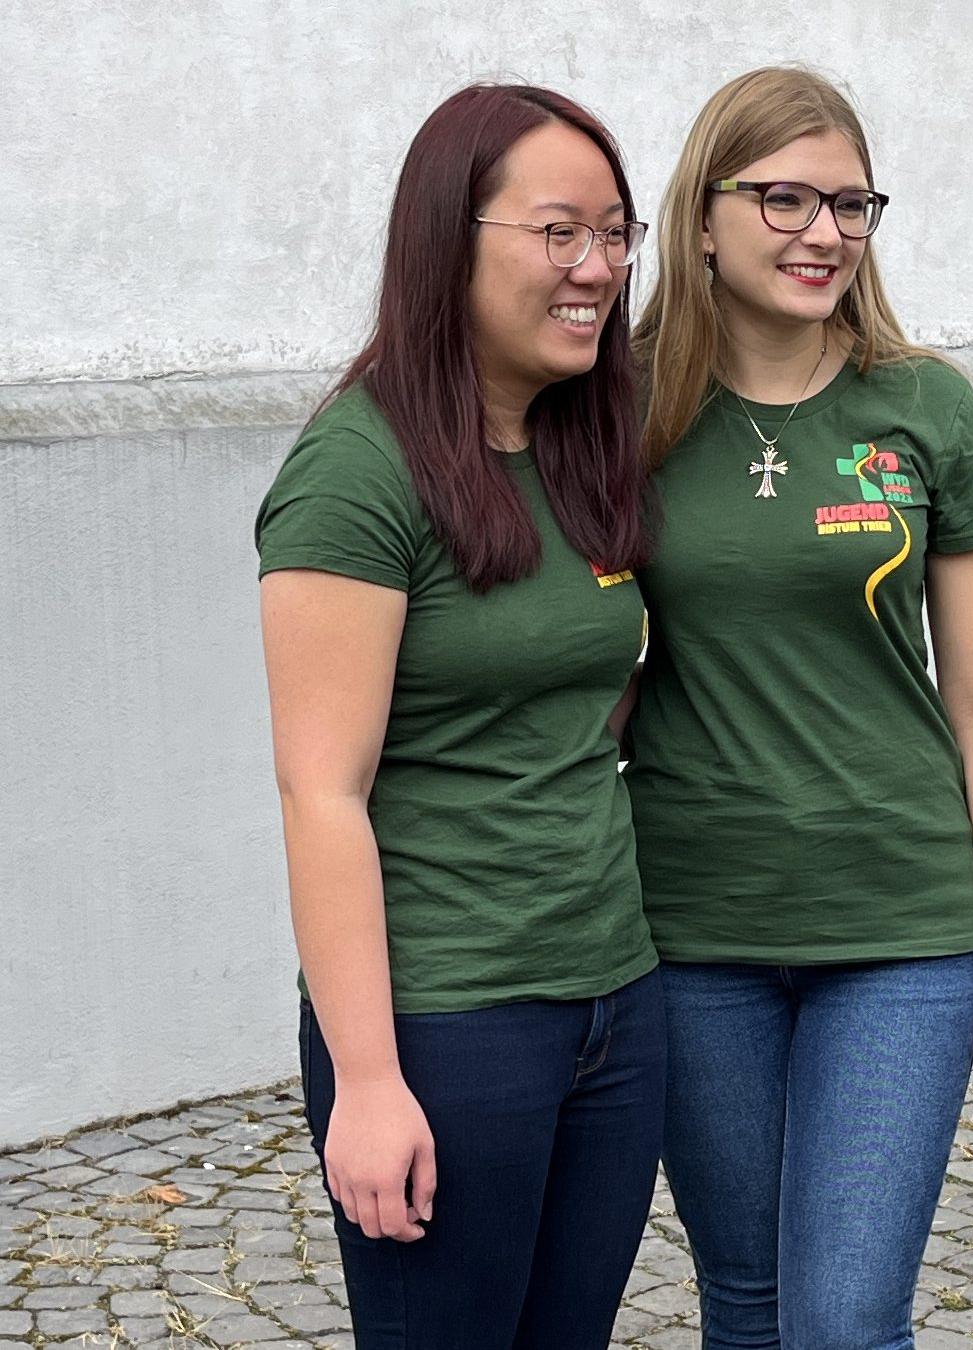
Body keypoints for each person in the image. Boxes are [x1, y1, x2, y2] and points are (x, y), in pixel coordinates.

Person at [624, 67, 973, 1346]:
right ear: (703, 215)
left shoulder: (925, 406)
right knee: (745, 1307)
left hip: (898, 926)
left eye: (850, 203)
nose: (823, 231)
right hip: (692, 924)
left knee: (846, 1317)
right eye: (784, 198)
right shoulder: (622, 404)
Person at [255, 85, 661, 1345]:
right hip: (451, 1024)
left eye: (614, 232)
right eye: (558, 233)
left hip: (614, 1000)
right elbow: (320, 792)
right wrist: (368, 1081)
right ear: (451, 237)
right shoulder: (357, 470)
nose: (595, 268)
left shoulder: (581, 444)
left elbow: (596, 716)